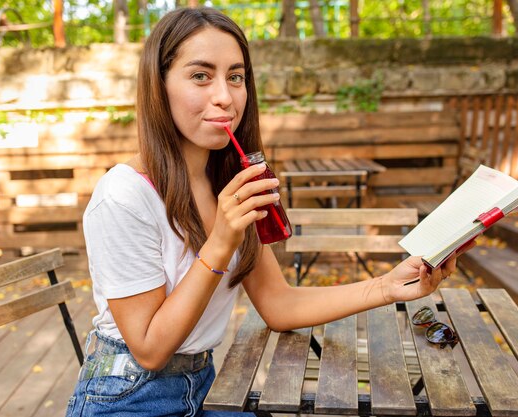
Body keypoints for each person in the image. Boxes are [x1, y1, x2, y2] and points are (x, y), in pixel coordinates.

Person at [65, 7, 474, 417]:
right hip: (125, 397)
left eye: (236, 76)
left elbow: (279, 306)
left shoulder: (228, 182)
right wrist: (222, 241)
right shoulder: (123, 196)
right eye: (200, 76)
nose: (224, 96)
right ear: (159, 86)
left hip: (202, 388)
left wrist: (387, 286)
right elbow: (150, 349)